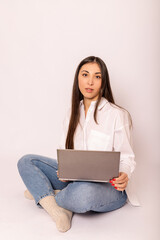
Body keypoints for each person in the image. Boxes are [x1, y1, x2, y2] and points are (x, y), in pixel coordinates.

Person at [17, 56, 139, 233]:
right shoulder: (72, 112)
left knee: (84, 194)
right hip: (74, 180)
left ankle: (44, 194)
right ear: (78, 78)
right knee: (26, 161)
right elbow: (65, 153)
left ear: (103, 82)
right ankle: (57, 208)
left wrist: (124, 174)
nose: (90, 81)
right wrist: (63, 172)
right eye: (85, 74)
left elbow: (127, 157)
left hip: (106, 188)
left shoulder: (117, 114)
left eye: (97, 76)